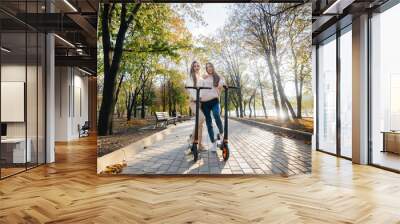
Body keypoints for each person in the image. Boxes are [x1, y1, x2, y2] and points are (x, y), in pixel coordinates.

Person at [200, 62, 224, 152]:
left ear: (213, 67)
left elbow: (222, 82)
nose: (209, 68)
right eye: (207, 67)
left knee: (216, 114)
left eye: (210, 66)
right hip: (205, 103)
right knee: (209, 123)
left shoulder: (217, 77)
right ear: (206, 69)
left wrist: (221, 84)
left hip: (214, 101)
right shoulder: (204, 77)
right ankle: (213, 143)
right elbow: (199, 83)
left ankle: (221, 134)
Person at [185, 61, 206, 151]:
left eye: (198, 66)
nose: (196, 67)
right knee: (201, 118)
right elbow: (190, 90)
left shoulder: (201, 78)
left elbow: (204, 91)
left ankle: (199, 144)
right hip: (193, 102)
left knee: (200, 124)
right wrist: (195, 98)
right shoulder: (190, 78)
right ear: (192, 68)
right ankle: (192, 139)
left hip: (201, 102)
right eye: (195, 66)